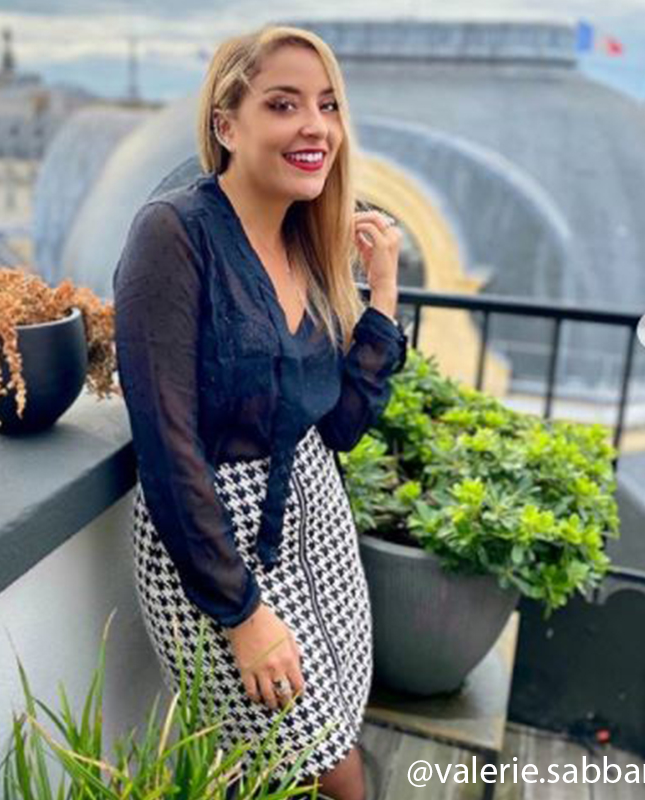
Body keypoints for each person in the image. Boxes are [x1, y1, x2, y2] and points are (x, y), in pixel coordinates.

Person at [113, 23, 407, 800]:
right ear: (226, 125)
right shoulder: (174, 234)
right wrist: (243, 613)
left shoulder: (307, 244)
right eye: (283, 104)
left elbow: (337, 426)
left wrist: (382, 295)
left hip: (318, 531)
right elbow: (166, 446)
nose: (315, 126)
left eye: (328, 105)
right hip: (216, 550)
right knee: (330, 773)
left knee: (321, 741)